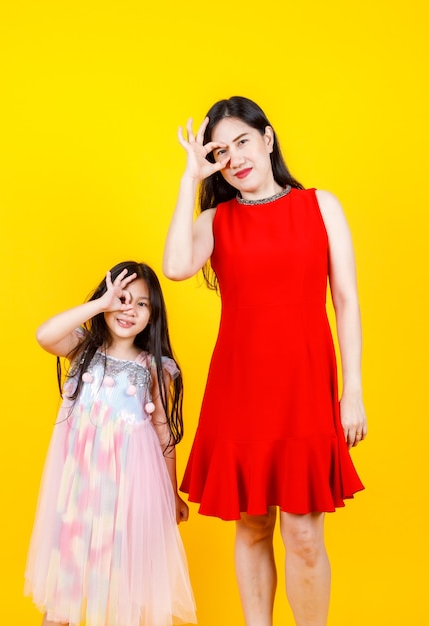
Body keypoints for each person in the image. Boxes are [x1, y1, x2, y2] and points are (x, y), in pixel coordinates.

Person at [163, 96, 367, 626]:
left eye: (243, 142)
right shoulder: (215, 218)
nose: (234, 159)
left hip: (304, 386)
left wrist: (354, 391)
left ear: (268, 138)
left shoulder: (321, 206)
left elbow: (345, 300)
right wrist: (190, 179)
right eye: (220, 151)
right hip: (240, 388)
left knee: (303, 531)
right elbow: (175, 265)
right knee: (252, 524)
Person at [24, 261, 197, 626]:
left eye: (141, 304)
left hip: (129, 496)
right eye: (122, 298)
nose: (128, 309)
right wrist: (100, 304)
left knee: (124, 589)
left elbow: (163, 434)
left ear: (153, 316)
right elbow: (44, 335)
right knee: (64, 589)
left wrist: (171, 494)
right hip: (81, 492)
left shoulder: (152, 367)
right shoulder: (83, 349)